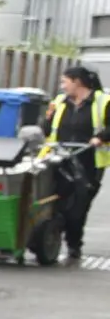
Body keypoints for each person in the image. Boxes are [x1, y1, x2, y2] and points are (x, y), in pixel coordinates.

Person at [42, 64, 107, 261]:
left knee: (78, 206)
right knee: (57, 202)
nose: (61, 86)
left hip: (89, 162)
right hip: (60, 158)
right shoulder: (60, 102)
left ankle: (74, 245)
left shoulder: (103, 101)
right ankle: (53, 240)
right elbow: (47, 129)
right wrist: (48, 117)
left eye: (64, 82)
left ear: (77, 82)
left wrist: (101, 137)